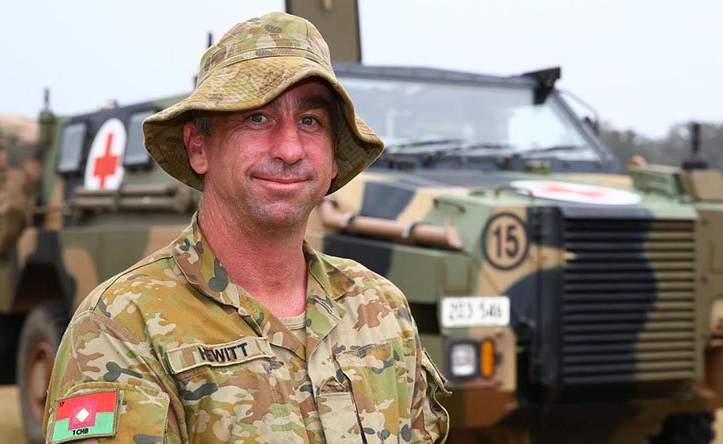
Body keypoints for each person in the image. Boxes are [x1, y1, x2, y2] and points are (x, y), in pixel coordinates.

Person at [43, 11, 449, 444]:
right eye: (257, 118)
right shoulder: (123, 325)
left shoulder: (380, 308)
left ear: (333, 159)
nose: (290, 149)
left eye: (311, 121)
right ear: (199, 148)